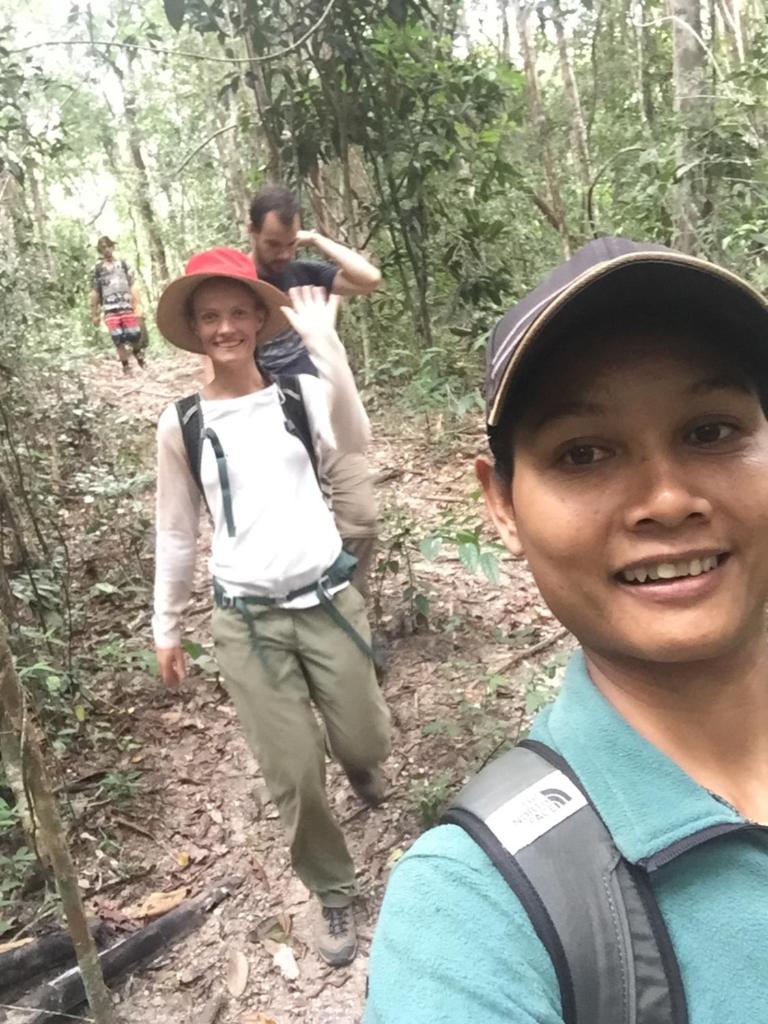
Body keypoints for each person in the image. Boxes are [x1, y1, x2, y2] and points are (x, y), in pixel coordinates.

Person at [364, 237, 768, 1022]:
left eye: (710, 432)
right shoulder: (474, 911)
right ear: (502, 505)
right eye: (584, 453)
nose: (666, 500)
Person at [152, 247, 391, 968]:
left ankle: (360, 763)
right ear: (196, 329)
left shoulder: (297, 395)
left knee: (364, 742)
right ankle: (333, 888)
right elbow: (176, 531)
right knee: (293, 771)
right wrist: (166, 624)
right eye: (210, 316)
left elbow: (354, 438)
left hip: (328, 600)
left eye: (237, 312)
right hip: (247, 621)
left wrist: (328, 348)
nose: (225, 327)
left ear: (260, 318)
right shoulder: (182, 423)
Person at [248, 184, 381, 599]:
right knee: (290, 532)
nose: (283, 254)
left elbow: (369, 279)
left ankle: (349, 609)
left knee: (361, 522)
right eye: (273, 244)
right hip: (269, 422)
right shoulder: (238, 282)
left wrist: (317, 240)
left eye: (290, 243)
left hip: (327, 413)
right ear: (251, 231)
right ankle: (303, 610)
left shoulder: (303, 272)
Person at [89, 236, 145, 374]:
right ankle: (126, 366)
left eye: (108, 246)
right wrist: (94, 313)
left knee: (134, 334)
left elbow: (133, 284)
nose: (106, 250)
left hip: (126, 306)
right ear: (100, 251)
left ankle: (140, 358)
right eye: (103, 248)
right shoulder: (97, 269)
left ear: (113, 247)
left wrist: (137, 304)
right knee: (117, 339)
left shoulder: (123, 264)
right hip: (110, 309)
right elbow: (95, 291)